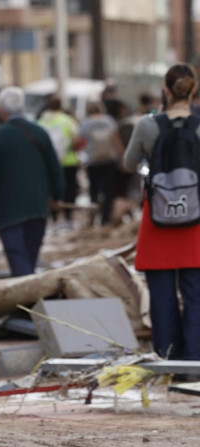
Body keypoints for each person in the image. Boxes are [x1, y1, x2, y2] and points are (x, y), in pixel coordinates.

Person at [123, 63, 200, 362]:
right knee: (196, 296)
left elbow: (130, 164)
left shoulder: (147, 125)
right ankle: (195, 364)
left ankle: (167, 361)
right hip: (196, 219)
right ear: (193, 90)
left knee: (162, 297)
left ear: (165, 91)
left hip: (158, 218)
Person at [0, 86, 64, 277]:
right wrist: (57, 196)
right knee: (30, 257)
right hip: (37, 207)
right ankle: (29, 298)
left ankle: (26, 301)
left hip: (8, 210)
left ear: (1, 109)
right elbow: (55, 168)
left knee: (18, 259)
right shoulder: (40, 133)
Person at [37, 95, 82, 228]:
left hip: (48, 163)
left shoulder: (41, 122)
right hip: (68, 161)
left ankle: (54, 219)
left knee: (51, 191)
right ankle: (69, 218)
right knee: (69, 190)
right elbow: (76, 140)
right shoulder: (67, 120)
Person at [79, 101, 125, 226]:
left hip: (93, 161)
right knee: (108, 190)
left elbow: (79, 142)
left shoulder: (86, 123)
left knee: (94, 191)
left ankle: (93, 217)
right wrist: (122, 157)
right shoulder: (109, 120)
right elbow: (116, 141)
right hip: (109, 160)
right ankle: (105, 219)